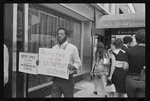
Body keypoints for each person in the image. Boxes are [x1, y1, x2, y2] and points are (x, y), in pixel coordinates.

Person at [50, 28, 81, 97]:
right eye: (58, 34)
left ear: (66, 36)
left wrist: (73, 66)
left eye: (61, 34)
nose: (59, 35)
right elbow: (50, 62)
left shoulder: (73, 48)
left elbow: (78, 62)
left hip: (67, 79)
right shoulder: (54, 48)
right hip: (56, 79)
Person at [123, 29, 145, 97]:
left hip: (131, 79)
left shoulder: (129, 50)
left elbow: (125, 67)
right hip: (144, 79)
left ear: (136, 39)